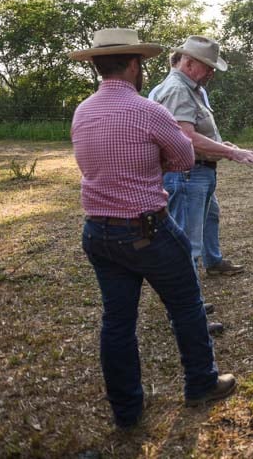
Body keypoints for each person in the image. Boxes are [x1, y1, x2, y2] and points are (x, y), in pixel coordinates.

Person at [70, 28, 236, 429]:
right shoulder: (149, 111)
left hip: (98, 232)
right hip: (147, 229)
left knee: (117, 321)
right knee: (187, 305)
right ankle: (201, 382)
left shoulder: (82, 112)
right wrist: (151, 164)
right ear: (133, 65)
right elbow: (182, 159)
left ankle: (126, 411)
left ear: (96, 65)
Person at [149, 35, 253, 280]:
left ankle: (214, 261)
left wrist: (221, 146)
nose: (212, 72)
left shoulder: (192, 89)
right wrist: (231, 152)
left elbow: (196, 130)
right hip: (188, 175)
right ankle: (188, 304)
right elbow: (186, 137)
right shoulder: (178, 90)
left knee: (210, 216)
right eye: (208, 66)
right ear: (188, 63)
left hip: (198, 172)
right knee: (187, 242)